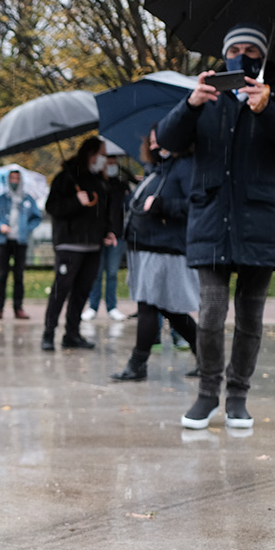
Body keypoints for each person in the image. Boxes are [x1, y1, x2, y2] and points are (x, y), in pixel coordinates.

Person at [157, 23, 275, 431]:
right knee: (211, 311)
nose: (240, 55)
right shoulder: (208, 92)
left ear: (262, 56)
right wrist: (191, 103)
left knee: (250, 316)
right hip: (212, 216)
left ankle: (239, 395)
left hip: (260, 220)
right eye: (234, 48)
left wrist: (268, 109)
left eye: (249, 49)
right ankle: (208, 392)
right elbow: (168, 139)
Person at [110, 128, 199, 381]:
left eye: (158, 138)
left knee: (149, 306)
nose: (153, 144)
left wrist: (162, 206)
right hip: (145, 246)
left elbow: (196, 204)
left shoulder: (183, 167)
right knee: (169, 309)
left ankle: (137, 364)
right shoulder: (158, 170)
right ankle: (206, 356)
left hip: (164, 248)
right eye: (150, 139)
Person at [41, 136, 113, 351]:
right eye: (102, 153)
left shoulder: (99, 180)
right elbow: (52, 207)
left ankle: (72, 334)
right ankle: (49, 332)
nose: (105, 158)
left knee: (82, 291)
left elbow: (102, 210)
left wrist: (107, 231)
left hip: (93, 245)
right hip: (70, 244)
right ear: (91, 154)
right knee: (61, 290)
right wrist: (75, 202)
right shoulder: (65, 178)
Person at [83, 153, 134, 322]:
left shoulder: (121, 185)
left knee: (112, 273)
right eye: (108, 162)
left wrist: (114, 232)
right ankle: (93, 306)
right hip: (98, 236)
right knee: (96, 273)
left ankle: (112, 307)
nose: (111, 165)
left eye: (114, 162)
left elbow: (128, 208)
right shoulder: (95, 184)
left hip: (117, 236)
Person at [0, 169, 41, 319]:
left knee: (19, 276)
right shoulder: (1, 198)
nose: (14, 181)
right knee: (2, 275)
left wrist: (26, 230)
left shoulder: (28, 199)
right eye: (12, 178)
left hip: (21, 242)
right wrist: (0, 226)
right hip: (4, 241)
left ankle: (18, 308)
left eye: (17, 178)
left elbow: (36, 218)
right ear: (8, 179)